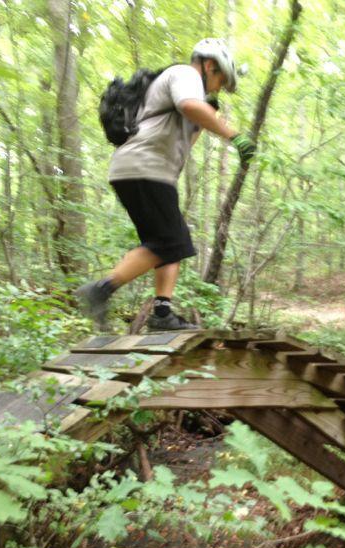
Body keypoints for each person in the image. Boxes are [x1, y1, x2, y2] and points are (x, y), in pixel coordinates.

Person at [77, 39, 256, 331]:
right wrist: (234, 136)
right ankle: (100, 289)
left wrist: (205, 118)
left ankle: (162, 313)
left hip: (144, 170)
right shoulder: (185, 75)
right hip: (144, 168)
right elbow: (187, 105)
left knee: (167, 243)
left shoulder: (191, 92)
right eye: (220, 81)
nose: (217, 88)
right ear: (209, 66)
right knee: (172, 242)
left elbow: (186, 136)